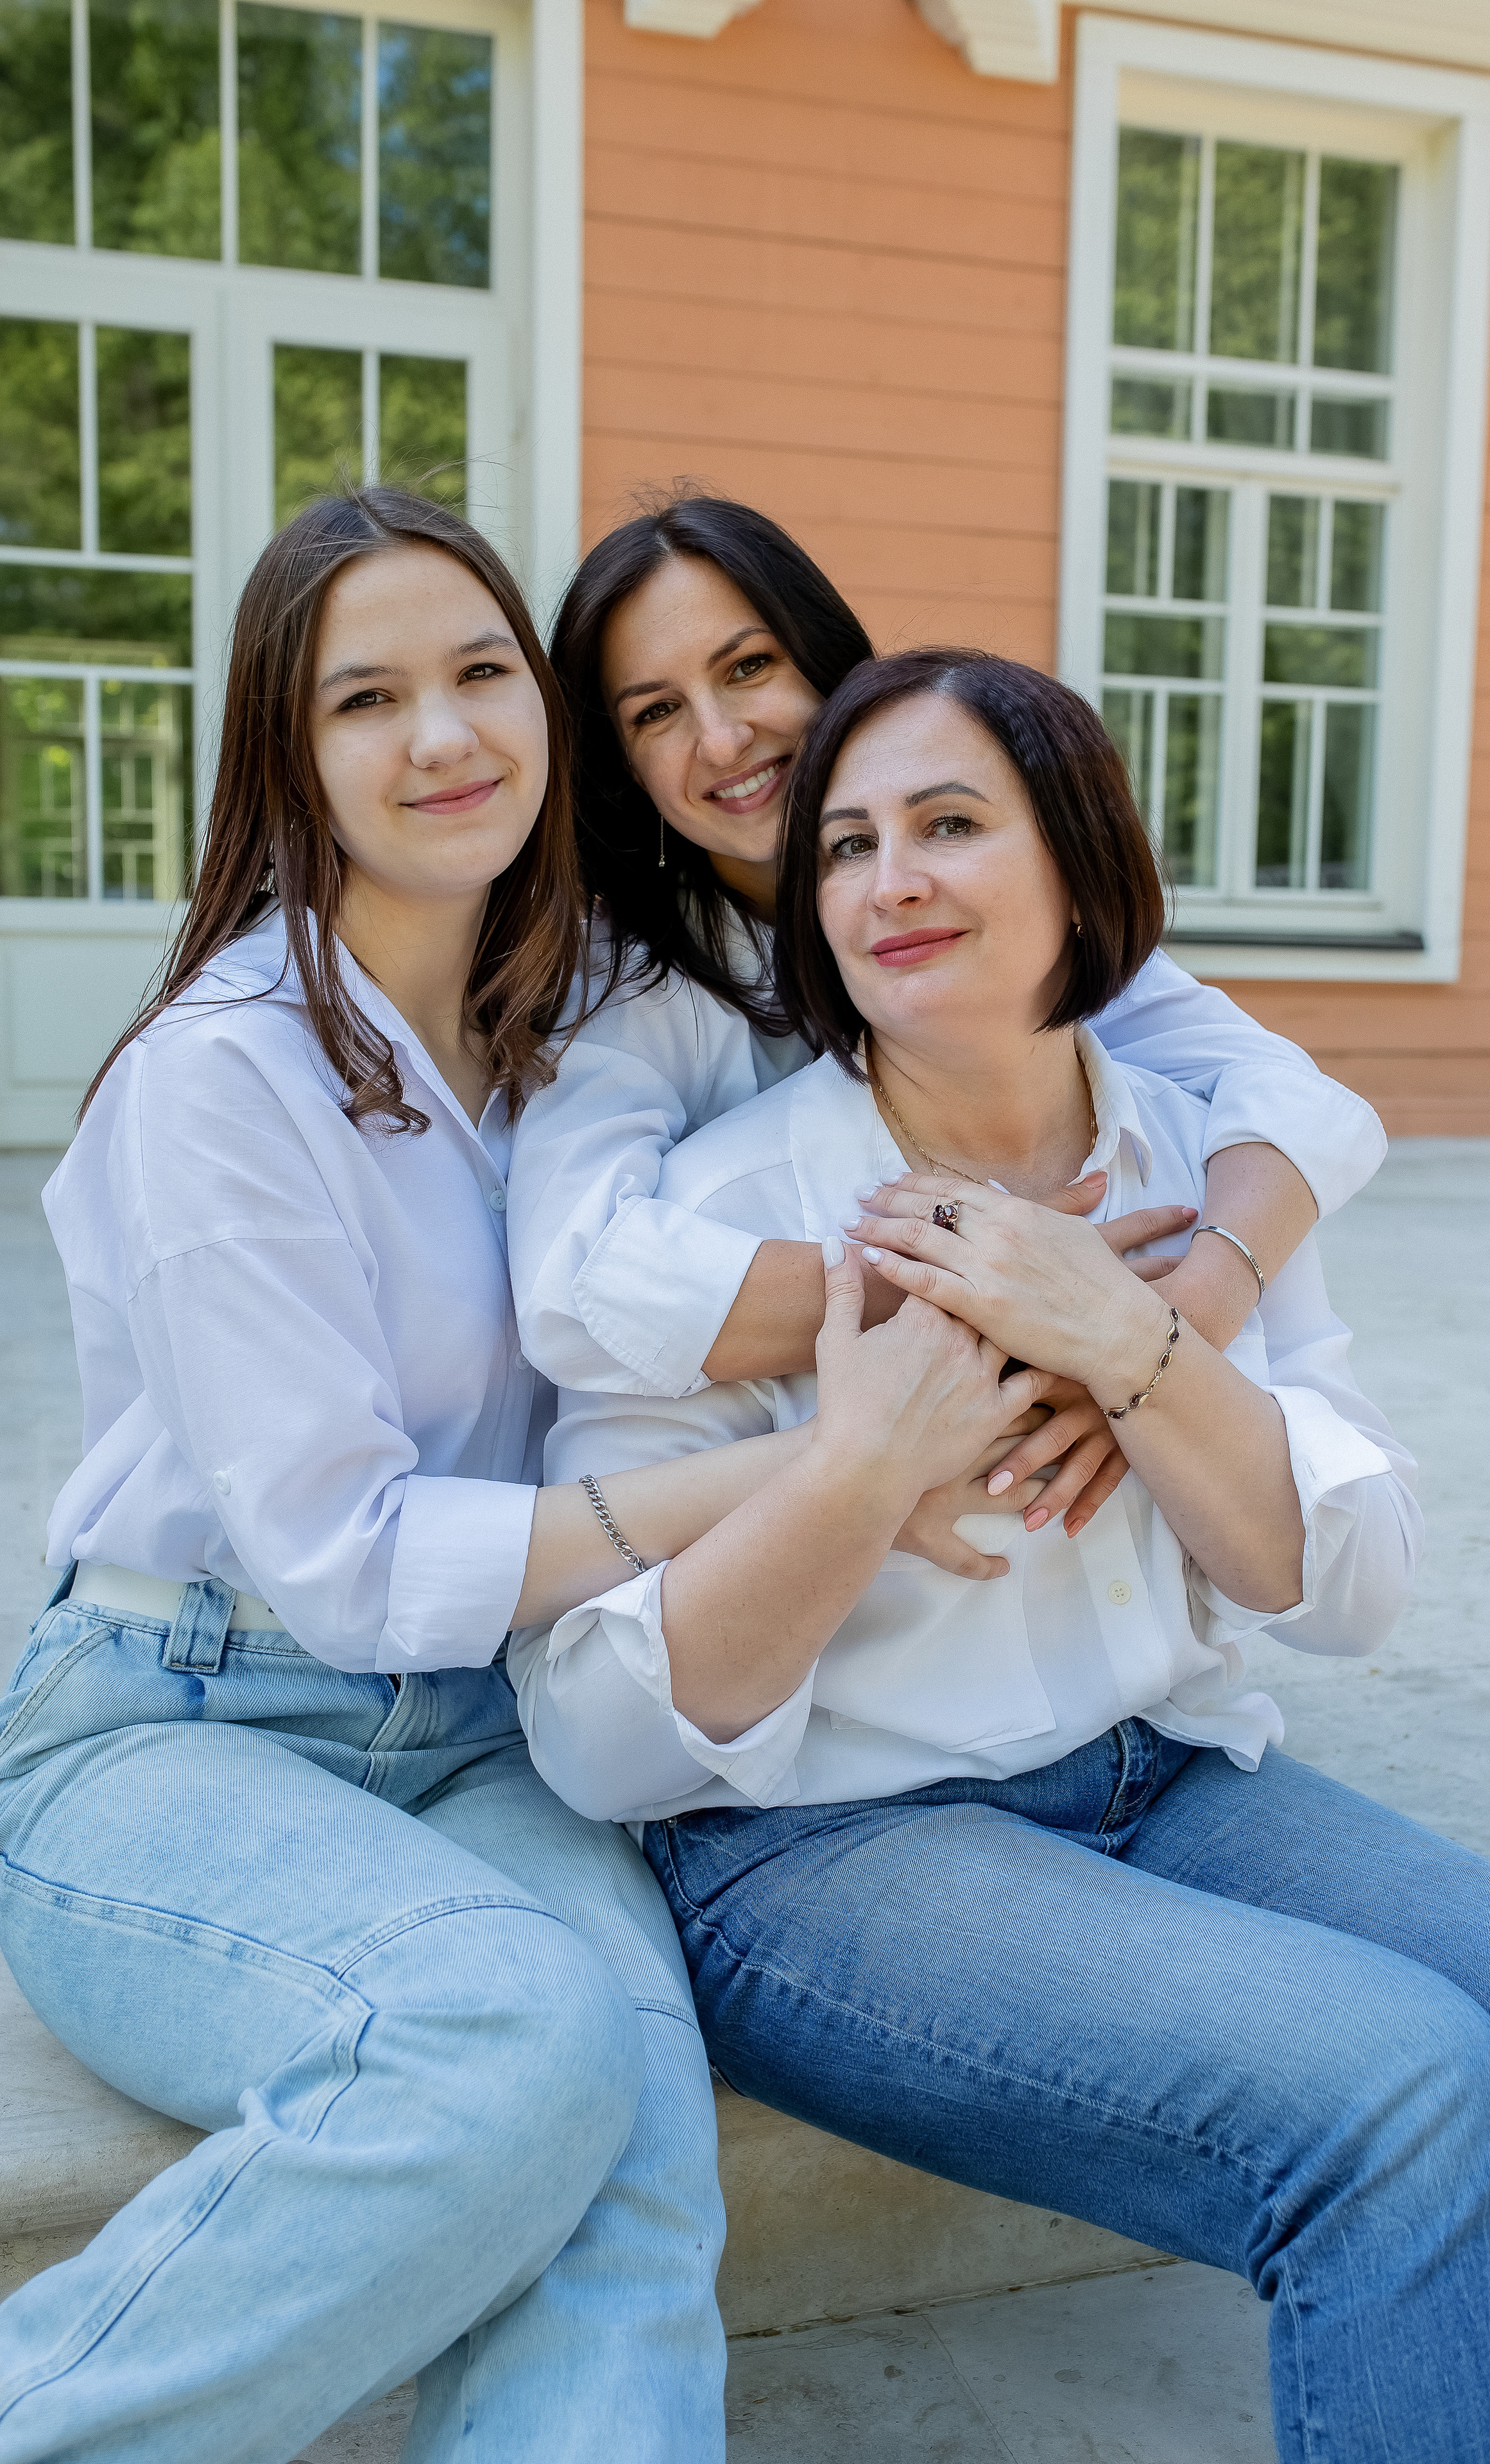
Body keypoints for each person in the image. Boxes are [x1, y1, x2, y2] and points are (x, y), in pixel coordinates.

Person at [512, 651, 1490, 2464]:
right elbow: (598, 1738)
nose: (891, 880)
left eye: (952, 825)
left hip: (1160, 1774)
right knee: (1406, 2100)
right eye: (850, 845)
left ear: (1081, 868)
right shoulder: (723, 1222)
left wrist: (1133, 1345)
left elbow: (1342, 1585)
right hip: (824, 1848)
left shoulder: (1206, 1173)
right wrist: (865, 1462)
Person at [0, 487, 908, 2464]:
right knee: (511, 2038)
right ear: (285, 754)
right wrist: (827, 1470)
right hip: (180, 1723)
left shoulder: (588, 1019)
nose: (445, 737)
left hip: (489, 1731)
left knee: (638, 2162)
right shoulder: (219, 1078)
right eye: (368, 700)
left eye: (486, 672)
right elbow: (340, 1562)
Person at [508, 493, 1387, 1554]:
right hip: (784, 1494)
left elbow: (1294, 1099)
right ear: (622, 768)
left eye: (750, 667)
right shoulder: (628, 984)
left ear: (831, 667)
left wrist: (1182, 1317)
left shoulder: (1004, 925)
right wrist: (987, 1286)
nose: (724, 736)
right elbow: (574, 1288)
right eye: (655, 712)